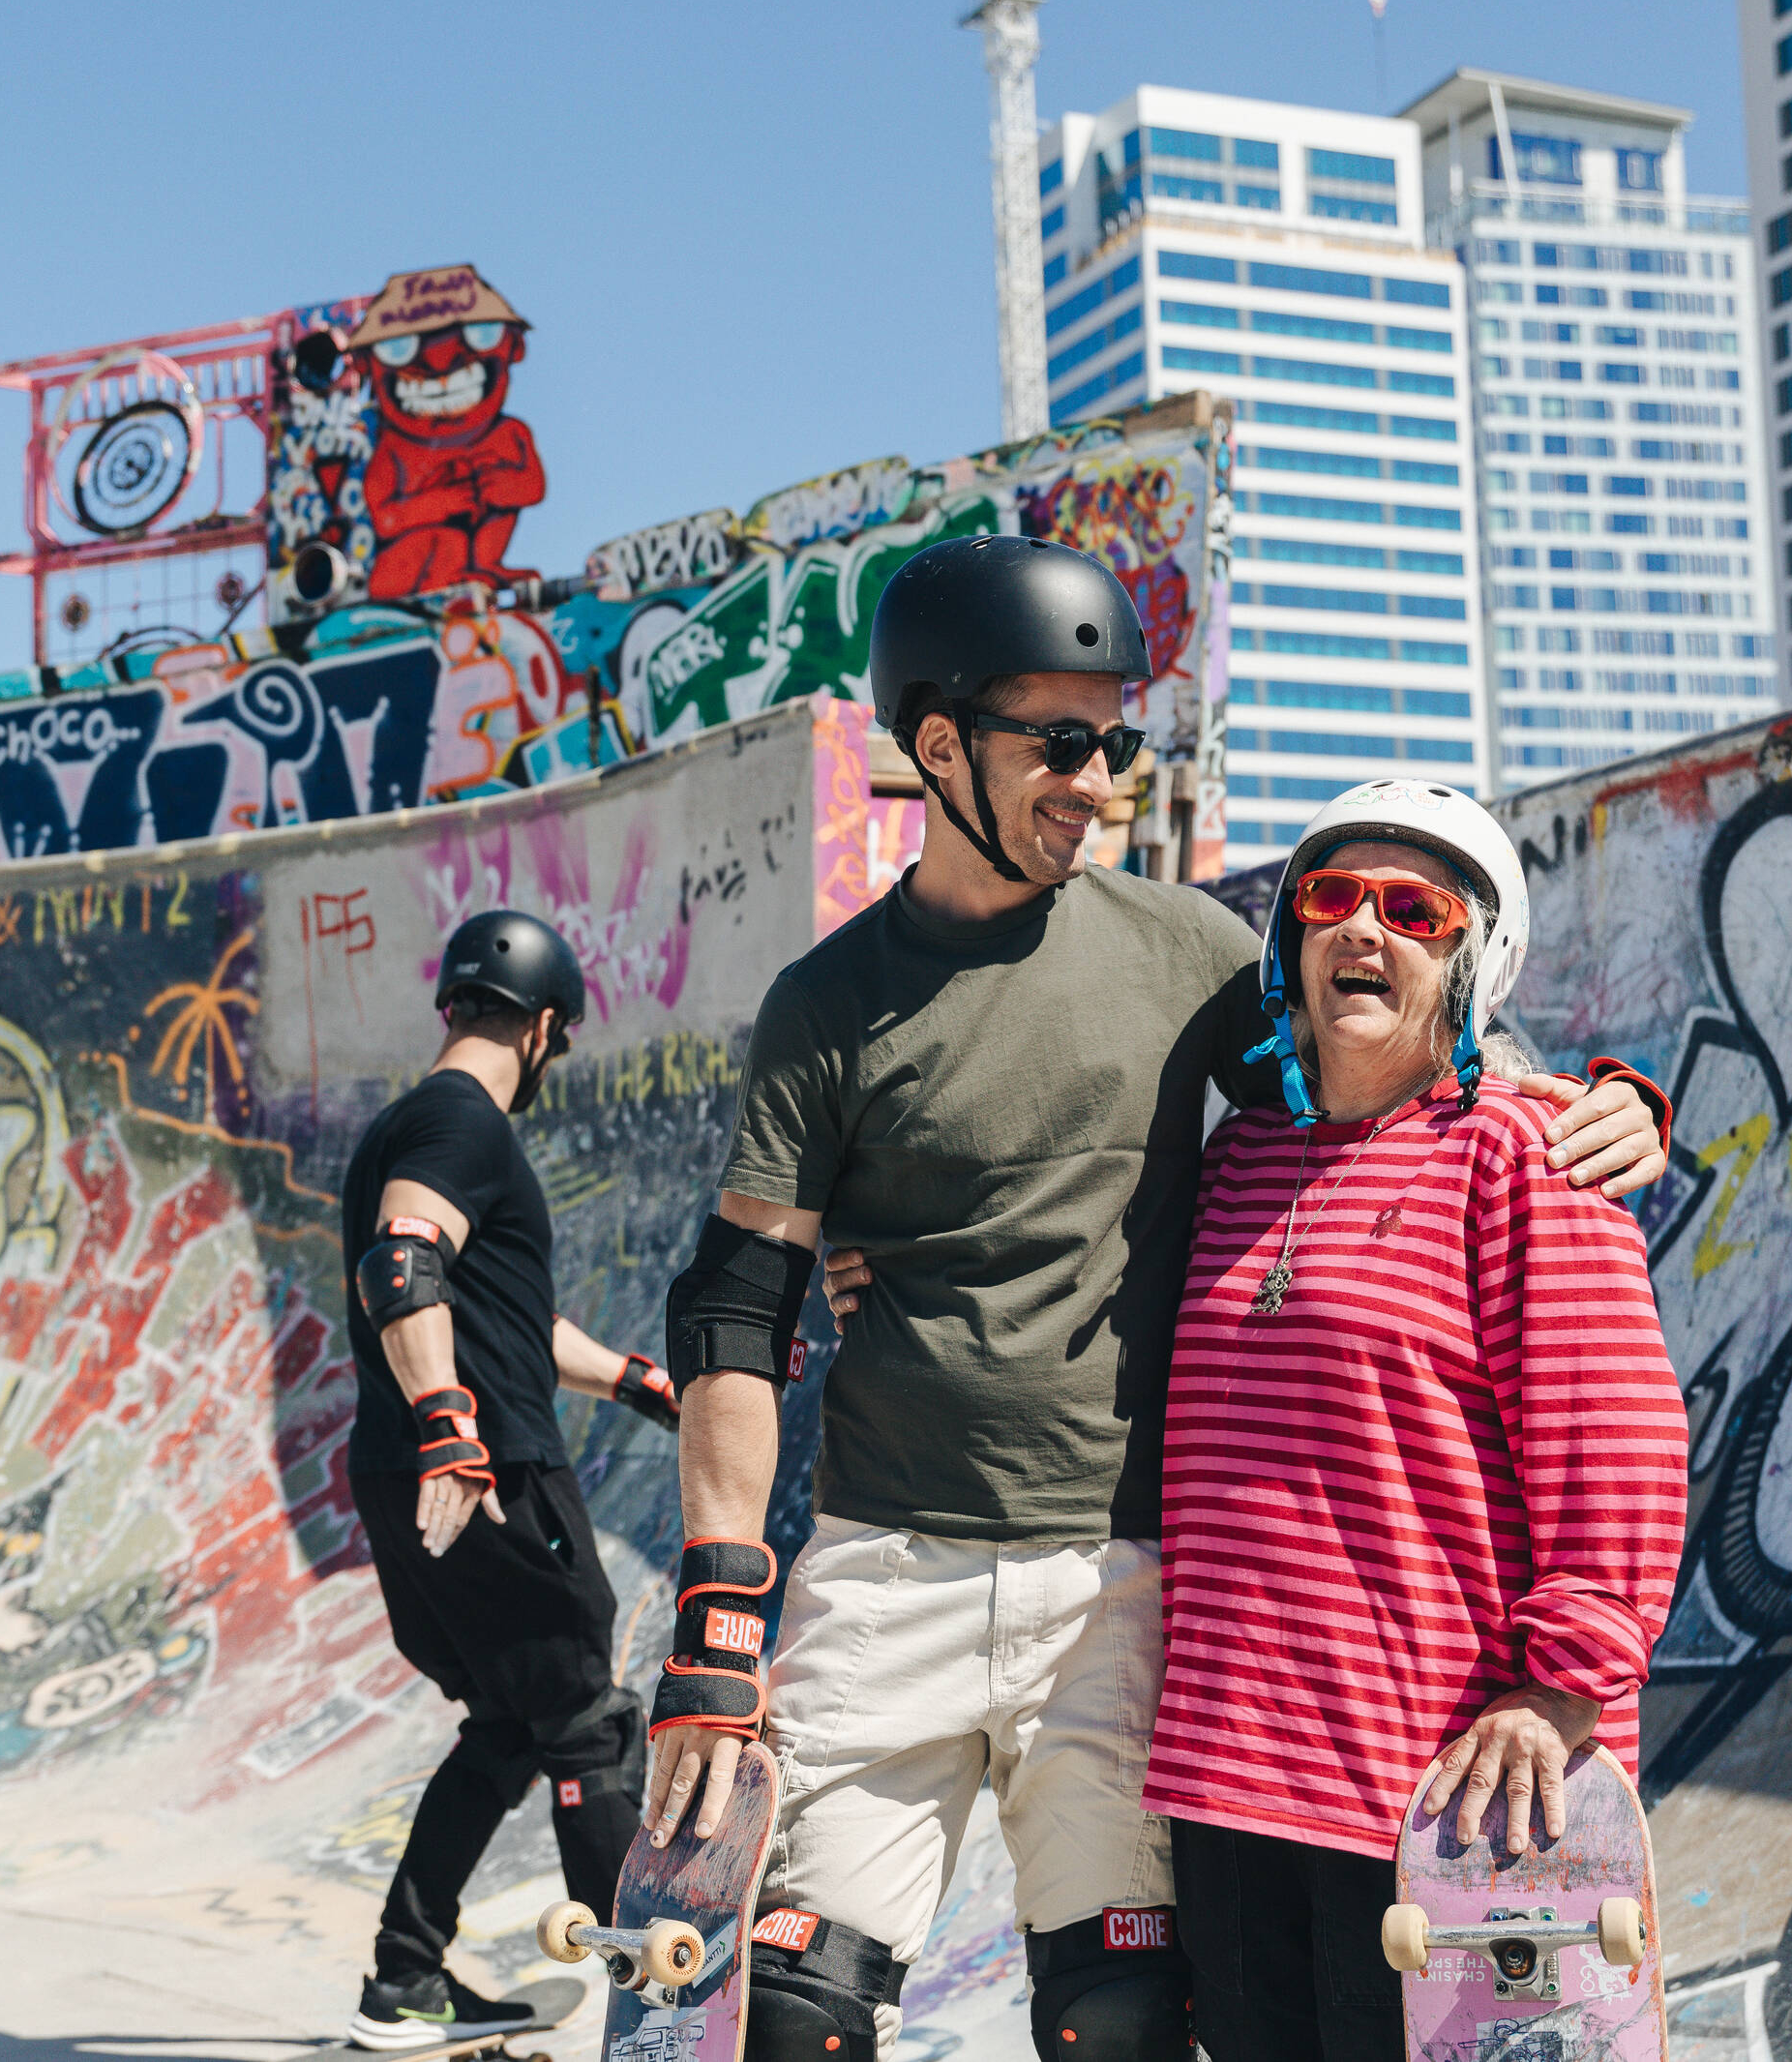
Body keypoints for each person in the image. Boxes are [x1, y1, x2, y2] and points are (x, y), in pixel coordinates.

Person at [639, 535, 1673, 2062]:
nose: (1099, 782)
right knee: (799, 2021)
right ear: (940, 746)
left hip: (1115, 1589)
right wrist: (718, 1612)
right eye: (1060, 744)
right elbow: (738, 1302)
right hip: (898, 1566)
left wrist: (1611, 1101)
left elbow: (1394, 1064)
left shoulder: (1190, 957)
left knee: (1119, 2024)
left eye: (1114, 745)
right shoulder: (829, 1003)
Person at [1143, 779, 1690, 2062]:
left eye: (1412, 910)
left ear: (1472, 958)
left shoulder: (1525, 1153)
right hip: (1226, 1782)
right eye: (1331, 899)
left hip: (1432, 1800)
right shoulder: (1237, 1162)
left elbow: (1615, 1437)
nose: (1360, 928)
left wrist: (1562, 1688)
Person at [341, 910, 686, 2051]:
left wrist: (634, 1381)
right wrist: (451, 1423)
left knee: (505, 1723)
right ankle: (654, 2011)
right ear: (541, 1028)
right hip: (488, 1478)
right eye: (559, 1041)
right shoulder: (462, 1123)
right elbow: (403, 1263)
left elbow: (492, 1314)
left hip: (400, 1475)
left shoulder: (405, 1125)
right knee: (585, 1717)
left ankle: (404, 1981)